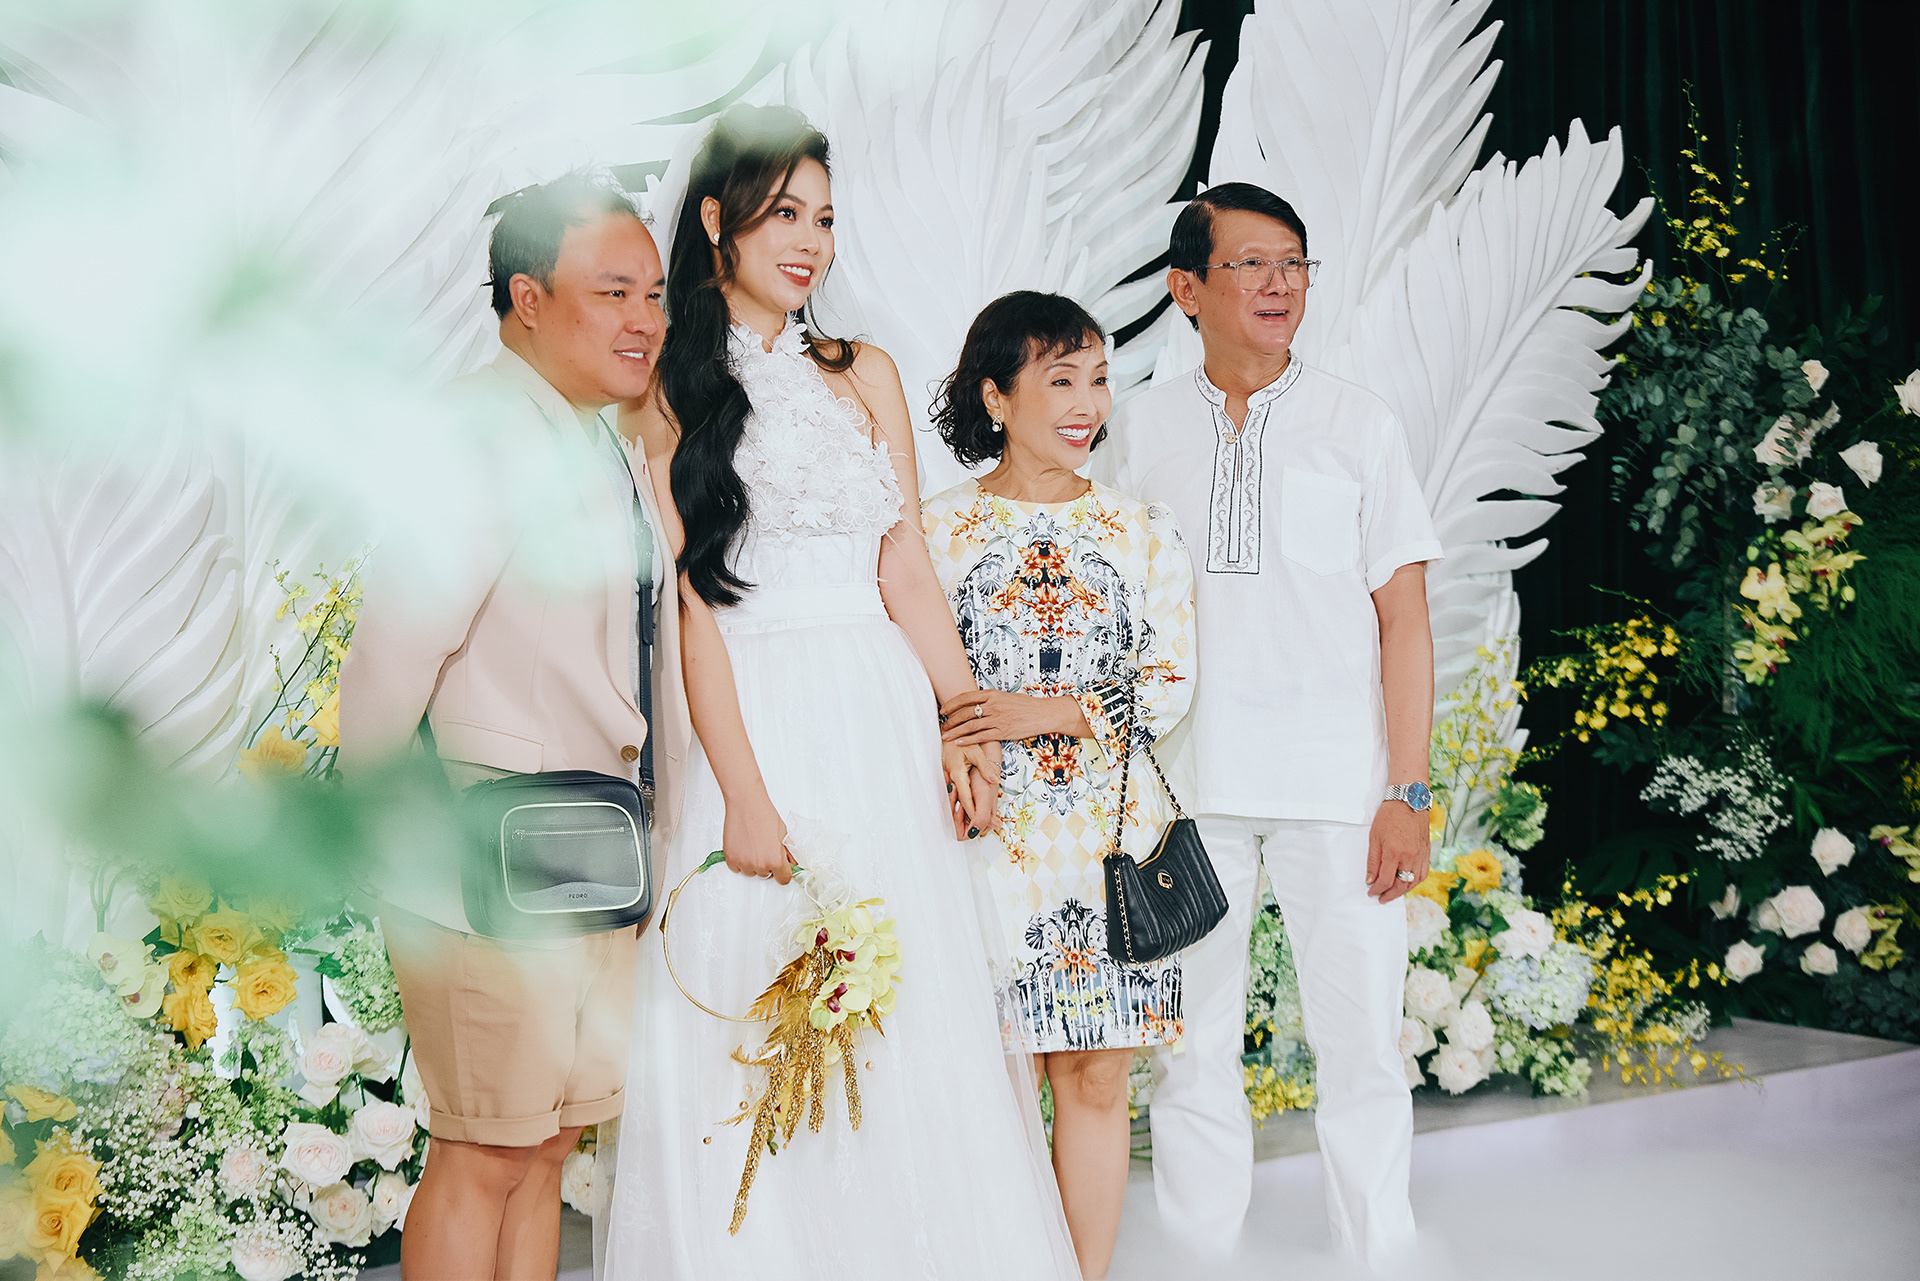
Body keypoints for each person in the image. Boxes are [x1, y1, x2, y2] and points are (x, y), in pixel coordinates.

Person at [601, 105, 1078, 1280]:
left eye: (823, 218)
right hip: (751, 710)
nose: (810, 241)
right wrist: (743, 796)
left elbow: (904, 565)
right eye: (784, 215)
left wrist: (964, 719)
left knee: (908, 1005)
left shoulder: (864, 371)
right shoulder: (664, 385)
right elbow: (691, 610)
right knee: (753, 993)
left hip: (879, 710)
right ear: (717, 219)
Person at [336, 173, 686, 1281]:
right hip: (482, 850)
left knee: (545, 1150)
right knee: (483, 1149)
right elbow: (396, 646)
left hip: (588, 843)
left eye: (654, 294)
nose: (644, 318)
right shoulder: (481, 434)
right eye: (614, 291)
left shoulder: (595, 438)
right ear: (527, 298)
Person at [1091, 181, 1442, 1271]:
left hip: (1343, 792)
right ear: (1185, 288)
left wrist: (1408, 789)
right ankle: (1203, 1259)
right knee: (1192, 1055)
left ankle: (1379, 1258)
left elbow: (1406, 618)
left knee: (1365, 1051)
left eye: (1293, 262)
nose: (1280, 283)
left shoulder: (1358, 423)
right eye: (1251, 263)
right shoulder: (1136, 427)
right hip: (1190, 791)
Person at [922, 291, 1197, 1280]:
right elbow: (904, 683)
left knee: (1096, 1078)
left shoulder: (1140, 527)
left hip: (1106, 849)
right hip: (978, 843)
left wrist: (1040, 710)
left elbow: (1169, 682)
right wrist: (957, 744)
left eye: (1099, 380)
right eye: (1061, 379)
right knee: (991, 1089)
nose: (1088, 404)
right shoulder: (934, 531)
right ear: (996, 397)